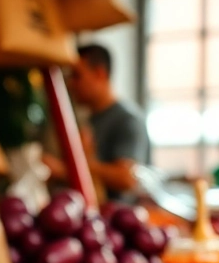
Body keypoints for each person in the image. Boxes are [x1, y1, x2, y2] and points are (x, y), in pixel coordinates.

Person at [44, 44, 149, 198]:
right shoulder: (89, 119)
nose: (71, 84)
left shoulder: (127, 120)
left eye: (77, 75)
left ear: (99, 74)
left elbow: (127, 178)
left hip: (117, 217)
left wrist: (66, 169)